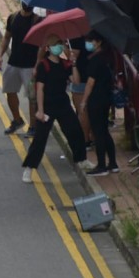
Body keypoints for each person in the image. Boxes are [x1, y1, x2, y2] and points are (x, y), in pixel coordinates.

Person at [22, 36, 87, 183]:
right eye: (56, 45)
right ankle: (29, 168)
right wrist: (40, 110)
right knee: (40, 139)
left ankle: (81, 159)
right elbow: (40, 89)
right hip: (47, 106)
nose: (59, 47)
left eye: (61, 44)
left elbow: (75, 81)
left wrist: (74, 63)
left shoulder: (65, 64)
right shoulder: (43, 65)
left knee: (74, 130)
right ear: (48, 48)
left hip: (62, 104)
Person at [0, 2, 40, 136]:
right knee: (10, 91)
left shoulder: (37, 21)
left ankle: (33, 126)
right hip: (13, 62)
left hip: (30, 66)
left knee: (32, 97)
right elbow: (7, 37)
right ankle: (17, 119)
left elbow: (42, 45)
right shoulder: (13, 18)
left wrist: (37, 65)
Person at [81, 32, 119, 175]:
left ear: (98, 42)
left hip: (95, 99)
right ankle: (113, 163)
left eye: (90, 41)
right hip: (106, 98)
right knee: (104, 130)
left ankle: (101, 165)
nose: (88, 44)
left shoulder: (95, 61)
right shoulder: (108, 58)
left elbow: (90, 84)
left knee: (98, 132)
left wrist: (83, 101)